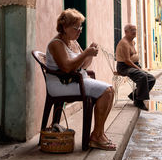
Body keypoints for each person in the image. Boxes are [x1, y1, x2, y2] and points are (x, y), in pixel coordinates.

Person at [46, 8, 116, 151]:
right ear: (64, 27)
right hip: (61, 84)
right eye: (76, 27)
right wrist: (85, 54)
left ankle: (99, 134)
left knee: (110, 90)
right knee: (107, 91)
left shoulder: (73, 42)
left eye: (81, 27)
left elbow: (83, 65)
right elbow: (66, 67)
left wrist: (89, 53)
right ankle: (96, 136)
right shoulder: (56, 44)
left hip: (74, 80)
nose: (79, 31)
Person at [116, 24, 156, 111]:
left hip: (132, 65)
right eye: (132, 30)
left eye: (135, 30)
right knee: (142, 75)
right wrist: (138, 68)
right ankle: (139, 101)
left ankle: (134, 96)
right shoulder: (124, 43)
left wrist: (138, 66)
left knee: (152, 79)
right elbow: (127, 60)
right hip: (124, 67)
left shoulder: (132, 42)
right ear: (126, 32)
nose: (134, 32)